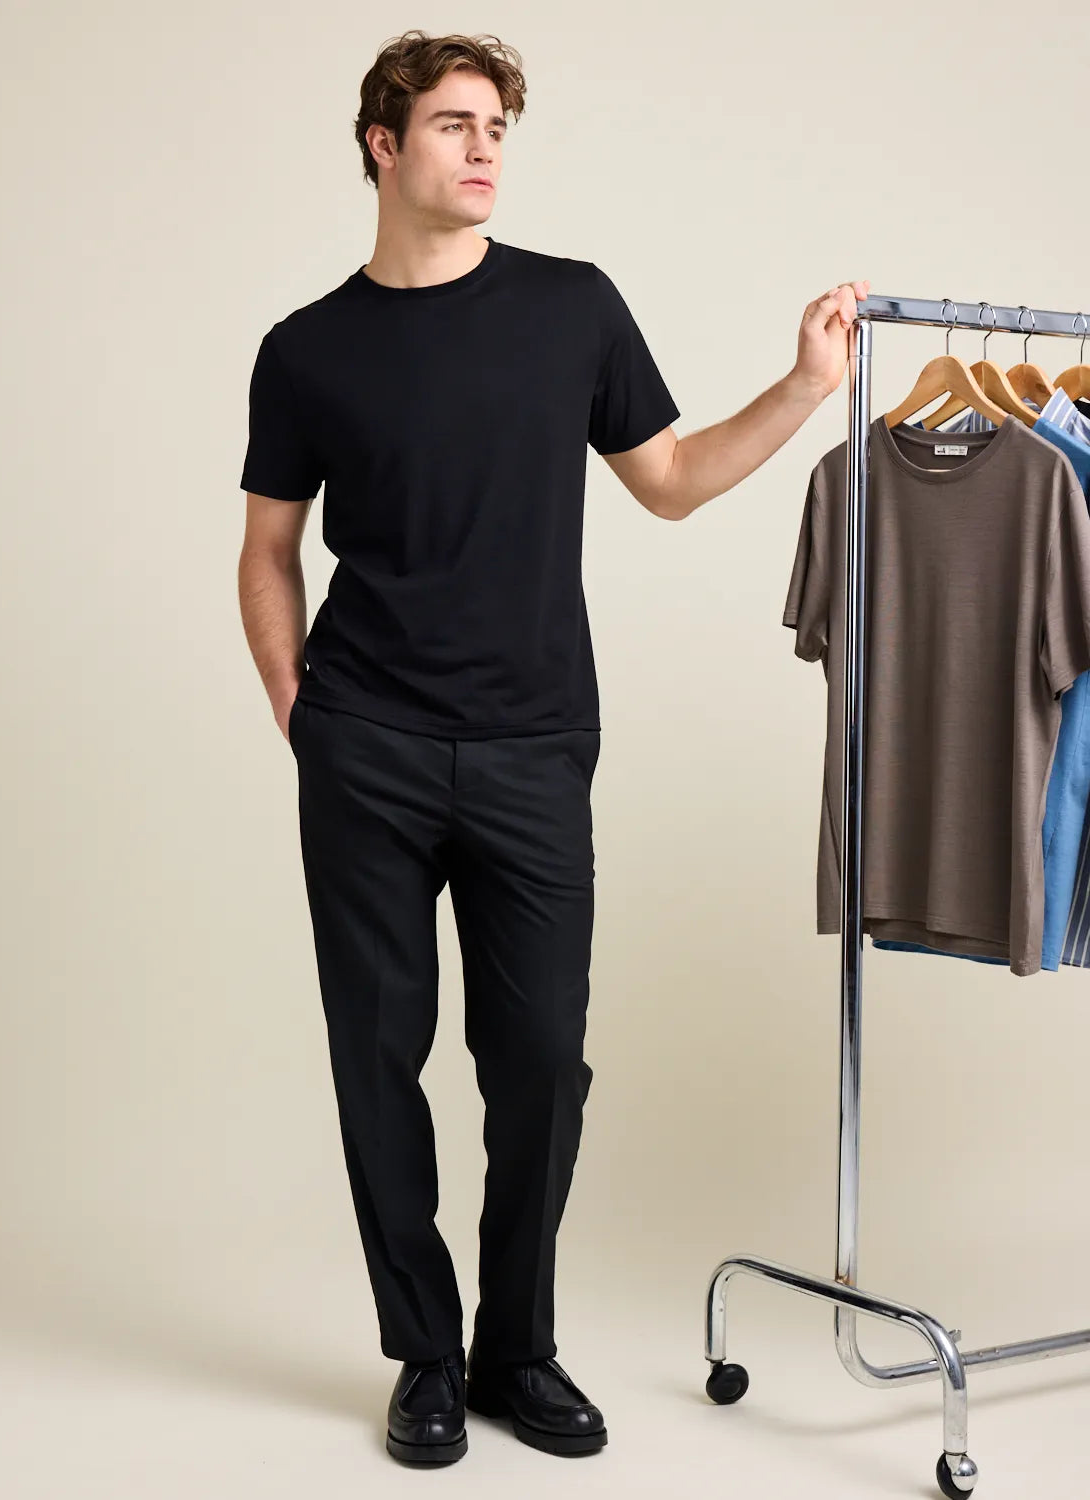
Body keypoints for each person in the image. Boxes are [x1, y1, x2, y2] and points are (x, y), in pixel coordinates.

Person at [237, 27, 868, 1468]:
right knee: (375, 1058)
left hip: (533, 748)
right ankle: (427, 1359)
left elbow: (670, 483)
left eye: (500, 127)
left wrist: (801, 388)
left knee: (540, 1065)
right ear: (383, 148)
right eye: (455, 124)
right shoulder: (306, 348)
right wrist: (297, 702)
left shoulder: (572, 310)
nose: (485, 150)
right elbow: (267, 549)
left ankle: (519, 1349)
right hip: (368, 748)